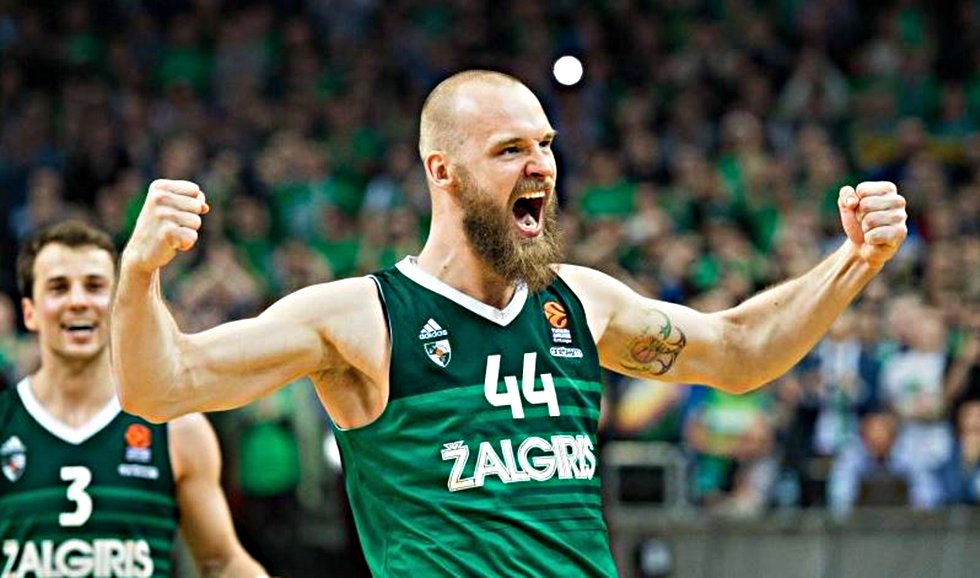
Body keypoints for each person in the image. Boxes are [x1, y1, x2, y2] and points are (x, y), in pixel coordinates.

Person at [112, 70, 908, 576]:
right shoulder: (361, 317)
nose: (541, 166)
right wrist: (139, 273)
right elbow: (160, 388)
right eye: (510, 149)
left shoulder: (580, 302)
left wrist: (855, 260)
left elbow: (738, 352)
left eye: (546, 145)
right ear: (443, 172)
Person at [0, 220, 268, 578]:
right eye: (59, 287)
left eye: (95, 286)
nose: (78, 301)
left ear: (117, 307)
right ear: (30, 312)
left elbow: (221, 562)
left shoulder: (178, 429)